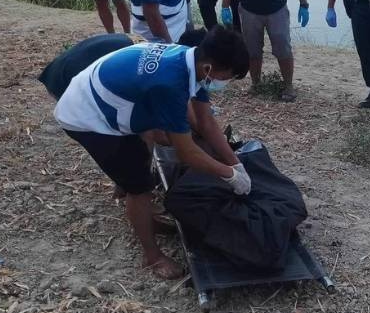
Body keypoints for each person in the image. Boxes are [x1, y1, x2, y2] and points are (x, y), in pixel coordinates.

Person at [53, 27, 252, 279]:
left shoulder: (192, 60)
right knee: (139, 186)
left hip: (106, 93)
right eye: (230, 76)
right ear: (211, 68)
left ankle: (142, 212)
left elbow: (206, 122)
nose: (229, 82)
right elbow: (187, 153)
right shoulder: (170, 83)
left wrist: (236, 163)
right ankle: (152, 257)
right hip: (87, 116)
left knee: (145, 148)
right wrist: (229, 175)